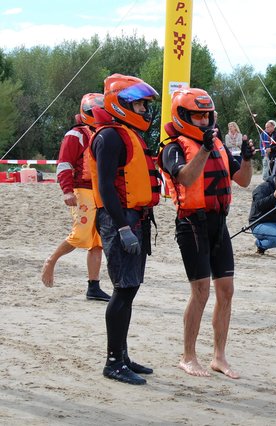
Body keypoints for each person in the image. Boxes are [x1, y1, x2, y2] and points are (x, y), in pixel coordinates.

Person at [159, 88, 255, 379]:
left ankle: (219, 357)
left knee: (226, 290)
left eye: (206, 116)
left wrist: (247, 159)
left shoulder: (219, 146)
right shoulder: (172, 148)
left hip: (218, 223)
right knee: (200, 292)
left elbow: (243, 181)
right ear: (183, 116)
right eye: (197, 116)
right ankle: (188, 356)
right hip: (191, 225)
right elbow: (186, 179)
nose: (203, 121)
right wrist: (203, 148)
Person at [88, 73, 161, 385]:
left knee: (130, 289)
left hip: (135, 218)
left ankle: (123, 355)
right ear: (122, 104)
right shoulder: (109, 137)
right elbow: (105, 187)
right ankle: (113, 362)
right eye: (141, 105)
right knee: (123, 289)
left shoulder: (126, 134)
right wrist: (121, 227)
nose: (145, 110)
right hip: (119, 220)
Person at [41, 93, 110, 302]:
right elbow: (64, 163)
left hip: (100, 192)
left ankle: (93, 286)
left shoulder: (104, 133)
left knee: (97, 241)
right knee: (80, 234)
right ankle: (51, 260)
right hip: (82, 190)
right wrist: (67, 190)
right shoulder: (76, 135)